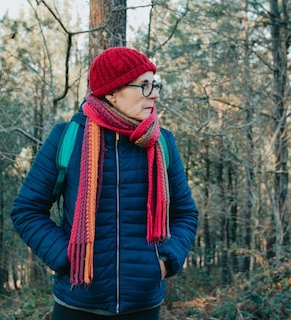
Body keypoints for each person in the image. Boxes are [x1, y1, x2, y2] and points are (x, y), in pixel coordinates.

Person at [11, 47, 198, 319]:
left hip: (143, 305)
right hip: (77, 304)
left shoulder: (162, 143)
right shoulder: (69, 137)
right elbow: (26, 210)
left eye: (155, 84)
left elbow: (185, 213)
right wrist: (67, 257)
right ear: (111, 92)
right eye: (144, 86)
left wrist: (165, 262)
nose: (155, 94)